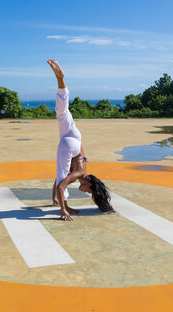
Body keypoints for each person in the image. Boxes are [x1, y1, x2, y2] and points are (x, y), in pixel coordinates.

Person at [47, 59, 114, 221]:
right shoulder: (79, 172)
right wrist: (63, 209)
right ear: (88, 183)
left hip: (77, 139)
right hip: (70, 144)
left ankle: (61, 81)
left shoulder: (82, 168)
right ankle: (60, 79)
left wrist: (54, 198)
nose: (84, 191)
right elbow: (62, 184)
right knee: (61, 112)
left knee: (63, 112)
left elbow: (58, 178)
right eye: (88, 191)